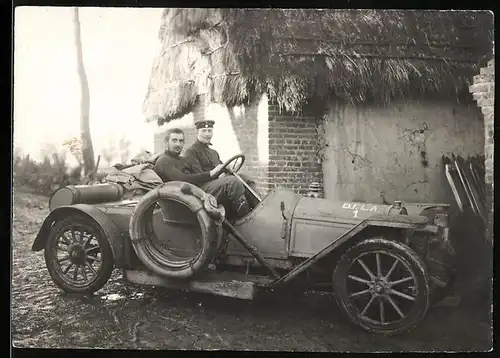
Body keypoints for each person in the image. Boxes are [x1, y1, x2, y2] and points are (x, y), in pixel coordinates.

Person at [154, 128, 251, 219]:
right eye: (174, 140)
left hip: (193, 192)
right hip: (184, 200)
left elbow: (194, 174)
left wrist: (223, 170)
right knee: (232, 182)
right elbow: (183, 180)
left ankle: (257, 210)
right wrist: (210, 174)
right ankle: (246, 220)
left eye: (181, 141)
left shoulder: (180, 159)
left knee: (243, 178)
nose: (178, 144)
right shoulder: (164, 161)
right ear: (166, 142)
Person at [183, 119, 261, 208]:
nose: (207, 134)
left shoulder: (213, 152)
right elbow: (197, 177)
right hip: (202, 189)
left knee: (245, 178)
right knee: (232, 181)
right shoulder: (191, 152)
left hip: (216, 185)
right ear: (197, 132)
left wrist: (227, 170)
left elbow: (221, 169)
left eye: (209, 131)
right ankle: (244, 215)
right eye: (203, 131)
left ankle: (259, 206)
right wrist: (214, 173)